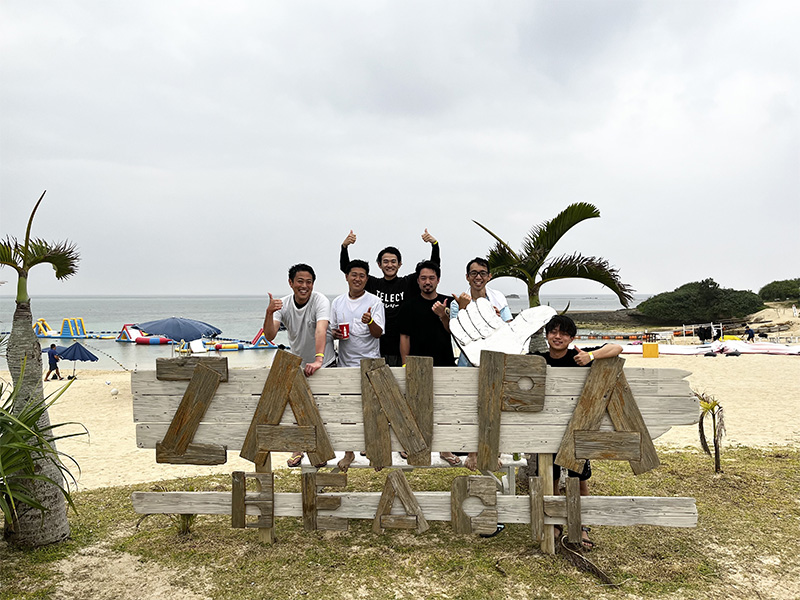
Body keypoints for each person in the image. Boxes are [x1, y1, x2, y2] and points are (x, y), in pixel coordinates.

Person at [531, 314, 623, 550]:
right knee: (550, 478)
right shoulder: (537, 360)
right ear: (547, 335)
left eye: (563, 333)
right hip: (548, 429)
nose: (557, 336)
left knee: (579, 479)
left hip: (577, 427)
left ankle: (582, 526)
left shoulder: (579, 357)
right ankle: (554, 523)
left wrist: (590, 356)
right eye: (553, 332)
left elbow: (617, 347)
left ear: (572, 338)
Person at [263, 263, 336, 467]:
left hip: (325, 362)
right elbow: (269, 335)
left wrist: (319, 359)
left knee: (322, 409)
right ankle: (298, 450)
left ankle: (321, 452)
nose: (304, 286)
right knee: (298, 410)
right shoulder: (283, 304)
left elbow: (321, 330)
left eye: (309, 282)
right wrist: (269, 313)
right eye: (300, 281)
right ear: (291, 283)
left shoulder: (320, 300)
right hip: (298, 364)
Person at [340, 229, 439, 366]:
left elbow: (432, 269)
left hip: (404, 346)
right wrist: (344, 247)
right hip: (380, 347)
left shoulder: (408, 283)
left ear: (400, 264)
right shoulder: (373, 283)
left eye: (393, 261)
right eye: (385, 261)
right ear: (379, 265)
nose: (390, 265)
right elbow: (349, 270)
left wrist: (434, 244)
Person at [397, 260, 461, 467]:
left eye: (431, 278)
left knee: (444, 407)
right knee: (413, 406)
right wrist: (405, 364)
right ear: (417, 280)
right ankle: (410, 445)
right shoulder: (409, 305)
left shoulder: (449, 302)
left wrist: (443, 316)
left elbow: (454, 331)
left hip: (444, 361)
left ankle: (445, 448)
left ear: (438, 280)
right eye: (423, 278)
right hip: (417, 364)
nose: (427, 282)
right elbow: (404, 337)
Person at [330, 259, 386, 471]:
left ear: (367, 278)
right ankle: (349, 453)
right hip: (345, 364)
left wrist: (370, 321)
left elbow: (378, 333)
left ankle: (373, 451)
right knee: (348, 412)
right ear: (347, 277)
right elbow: (334, 330)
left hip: (370, 364)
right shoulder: (337, 303)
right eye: (354, 275)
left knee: (373, 411)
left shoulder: (375, 301)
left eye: (362, 276)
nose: (358, 279)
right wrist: (335, 334)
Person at [449, 257, 513, 367]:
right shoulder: (457, 303)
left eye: (483, 273)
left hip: (496, 362)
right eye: (473, 273)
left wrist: (498, 321)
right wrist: (462, 309)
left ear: (489, 276)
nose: (478, 277)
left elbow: (510, 330)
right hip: (467, 363)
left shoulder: (498, 299)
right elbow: (458, 336)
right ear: (467, 277)